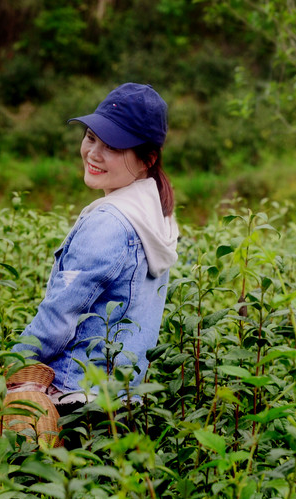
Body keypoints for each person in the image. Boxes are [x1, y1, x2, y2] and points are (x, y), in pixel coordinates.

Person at [13, 82, 179, 417]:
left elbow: (58, 319)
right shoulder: (156, 215)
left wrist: (10, 365)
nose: (93, 153)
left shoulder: (110, 222)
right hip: (123, 400)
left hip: (72, 399)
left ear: (147, 158)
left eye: (113, 146)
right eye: (91, 137)